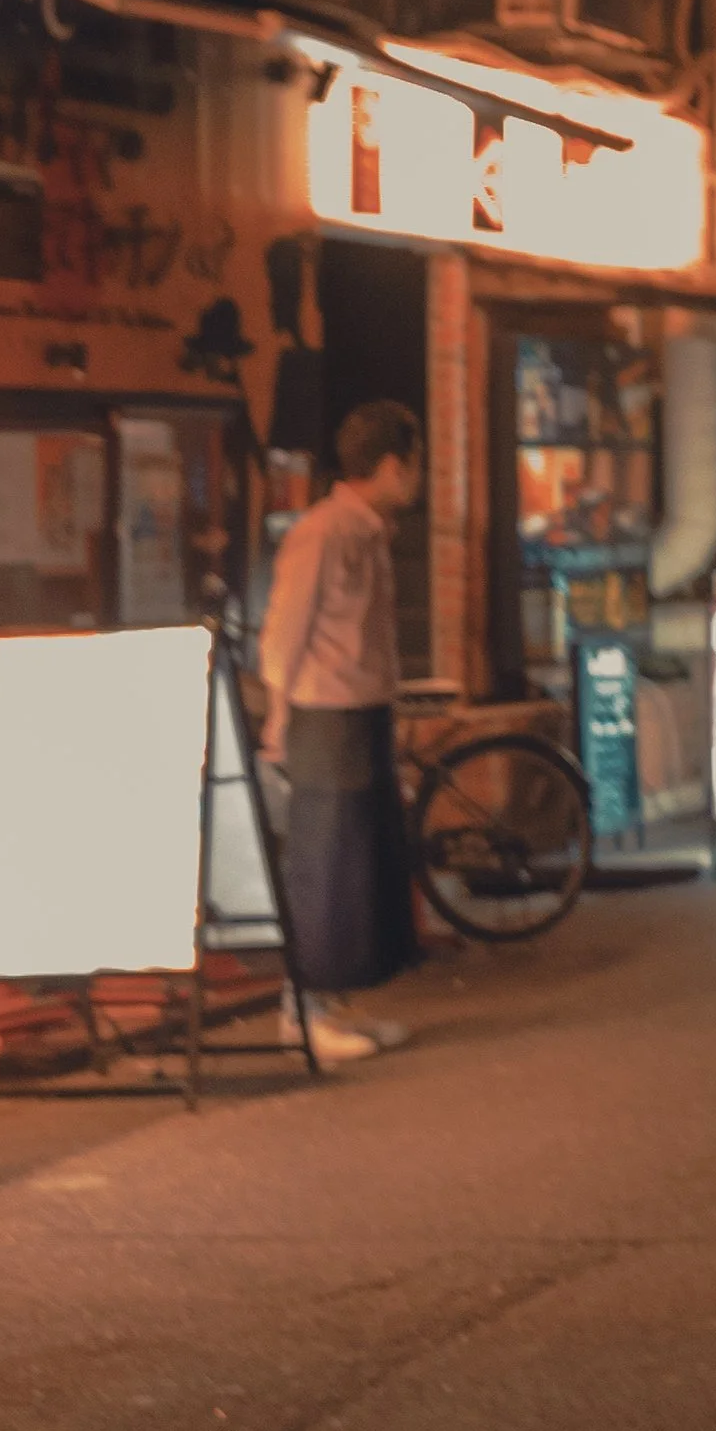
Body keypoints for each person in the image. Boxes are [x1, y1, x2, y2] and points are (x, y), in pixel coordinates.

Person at [258, 400, 424, 1061]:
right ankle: (301, 1010)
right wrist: (277, 714)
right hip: (323, 715)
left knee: (361, 864)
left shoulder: (368, 529)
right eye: (413, 466)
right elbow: (285, 629)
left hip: (362, 711)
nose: (416, 479)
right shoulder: (322, 532)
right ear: (389, 465)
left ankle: (338, 1003)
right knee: (325, 863)